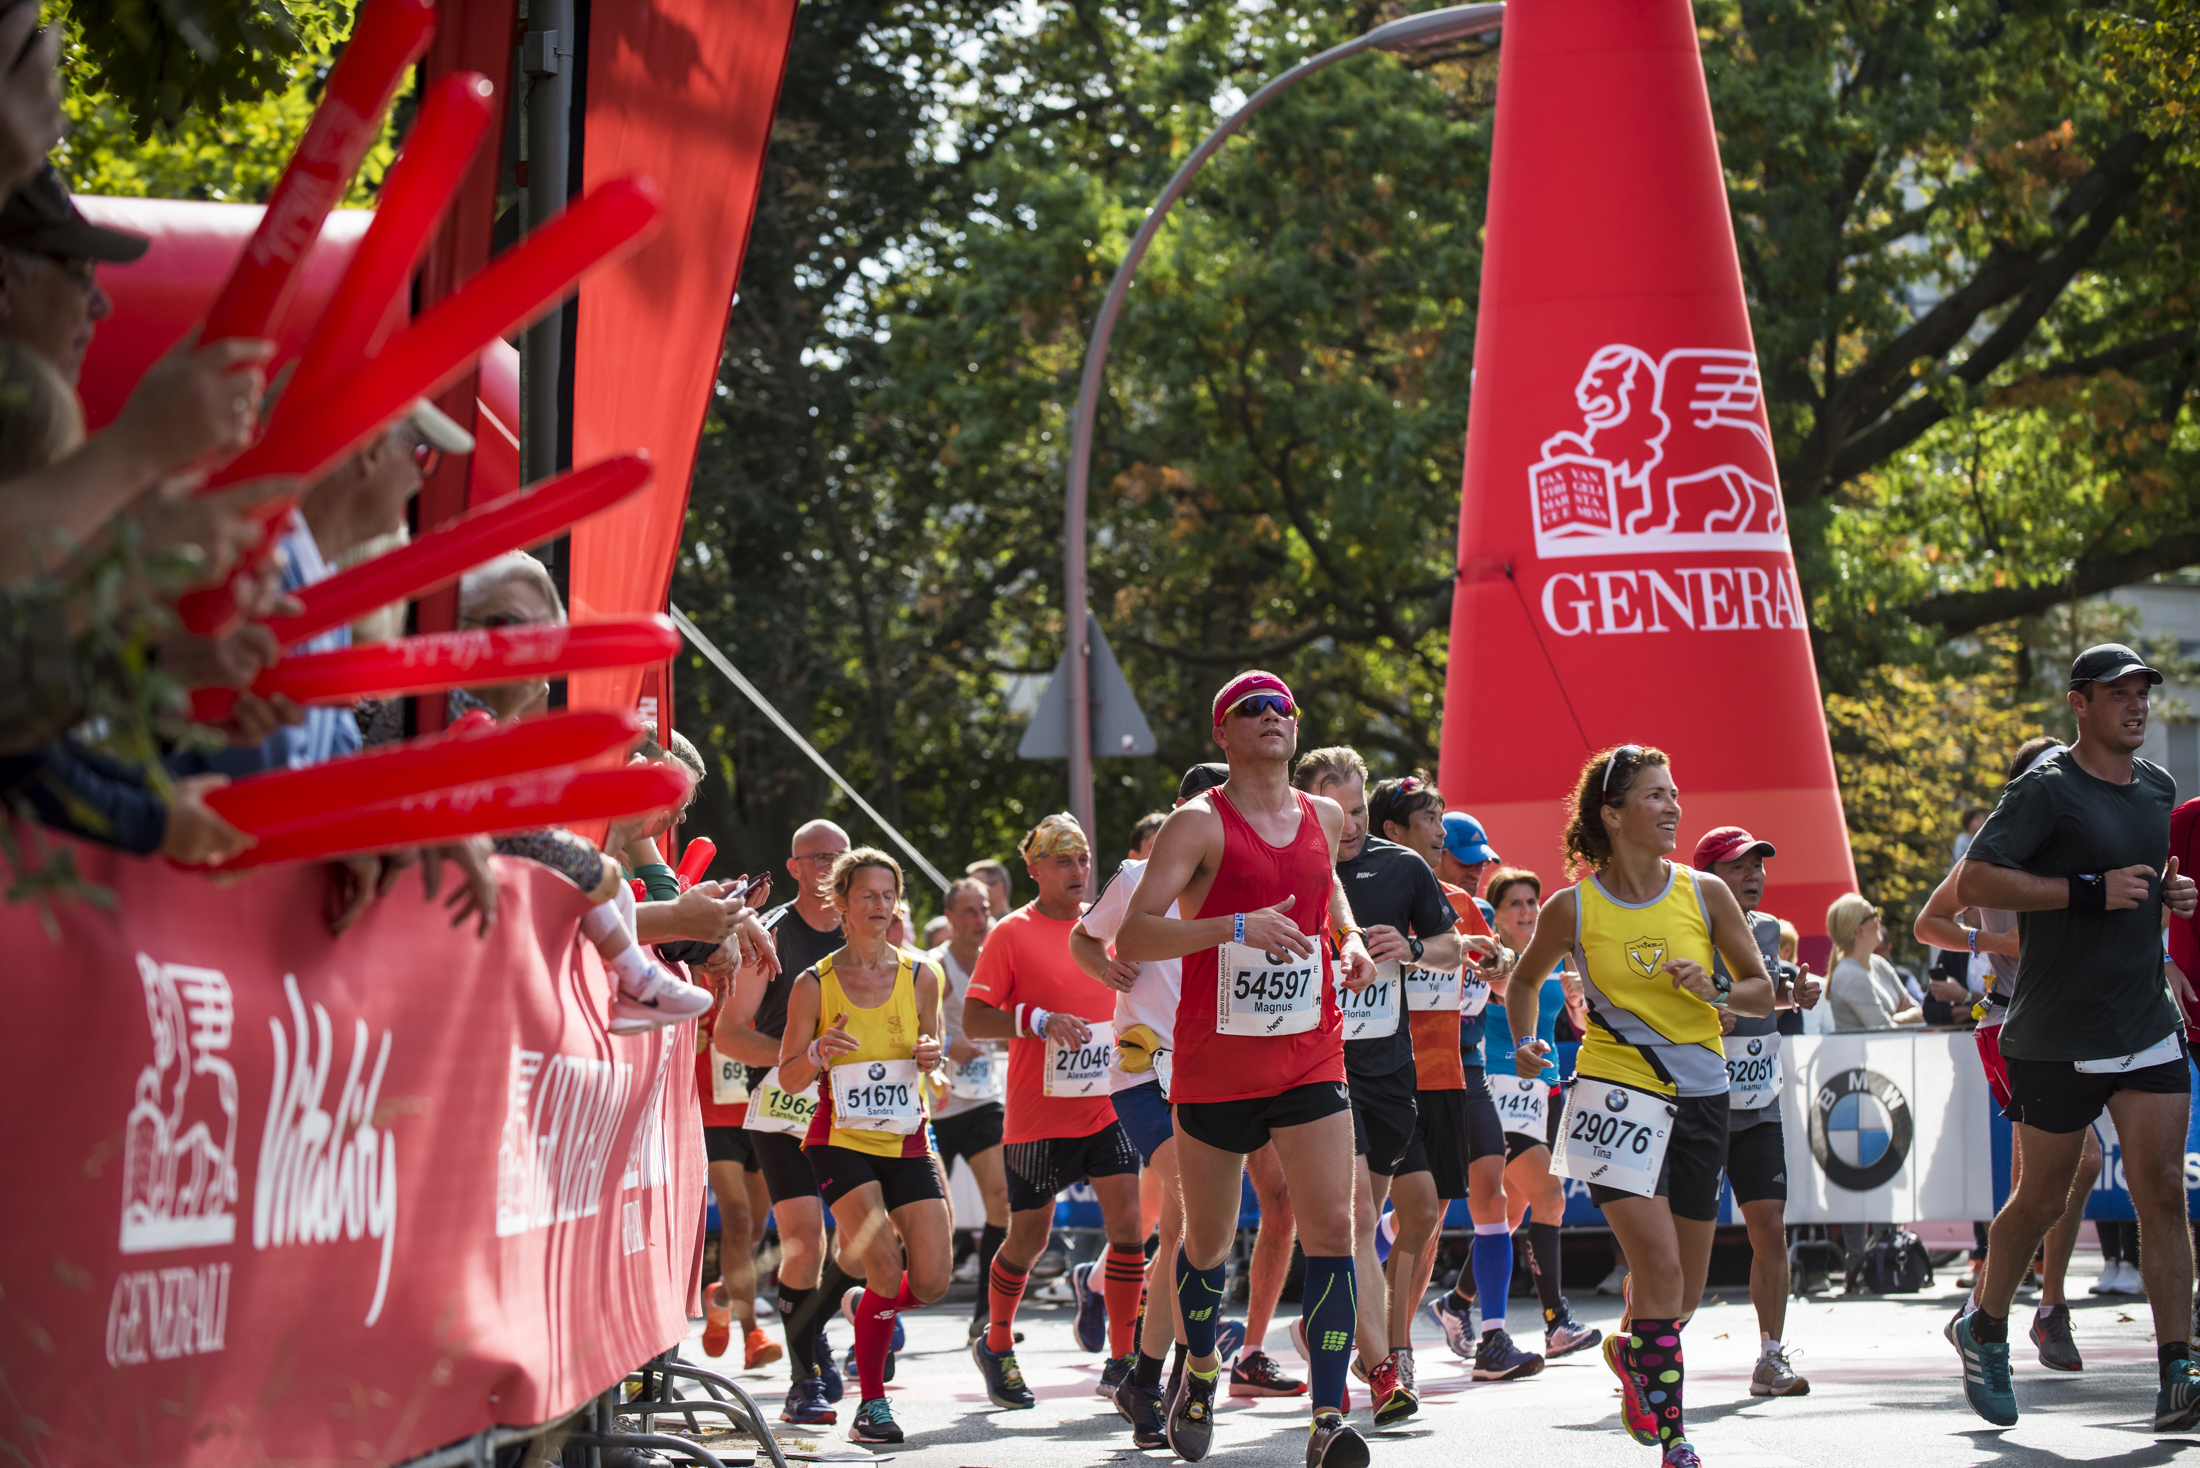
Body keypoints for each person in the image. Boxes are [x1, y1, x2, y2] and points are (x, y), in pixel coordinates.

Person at [1114, 669, 1378, 1468]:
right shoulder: (1196, 825)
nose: (1272, 717)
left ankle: (1329, 1416)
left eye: (1284, 708)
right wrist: (1233, 926)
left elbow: (1324, 887)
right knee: (1207, 1240)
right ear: (1222, 734)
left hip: (1309, 1052)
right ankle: (1196, 1375)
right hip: (1214, 1064)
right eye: (1251, 709)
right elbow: (1135, 937)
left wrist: (1352, 940)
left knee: (1332, 1225)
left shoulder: (1324, 815)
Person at [1949, 644, 2200, 1431]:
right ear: (2078, 704)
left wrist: (2171, 892)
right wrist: (2081, 891)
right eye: (2117, 692)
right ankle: (1985, 1324)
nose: (2136, 704)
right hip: (2056, 1030)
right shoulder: (2045, 788)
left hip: (2146, 1022)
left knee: (2162, 1189)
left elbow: (2142, 884)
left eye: (2143, 693)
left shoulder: (2158, 788)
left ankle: (2178, 1364)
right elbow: (1978, 881)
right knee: (2044, 1198)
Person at [1507, 744, 1774, 1468]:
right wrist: (1527, 1044)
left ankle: (1635, 1350)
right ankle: (1673, 1434)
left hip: (1701, 1095)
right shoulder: (1573, 906)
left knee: (1680, 1289)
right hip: (1613, 1092)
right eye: (1654, 795)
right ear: (1613, 814)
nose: (1672, 807)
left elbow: (1760, 990)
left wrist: (1715, 991)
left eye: (1674, 793)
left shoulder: (1704, 893)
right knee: (1655, 1264)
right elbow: (1524, 982)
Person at [1289, 750, 1463, 1423]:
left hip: (1390, 1070)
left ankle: (1337, 1336)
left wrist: (1411, 949)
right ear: (1310, 808)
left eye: (1361, 810)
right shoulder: (1292, 867)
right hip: (1316, 1067)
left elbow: (1451, 947)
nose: (1354, 824)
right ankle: (1384, 1370)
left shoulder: (1402, 867)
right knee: (1356, 1217)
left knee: (1360, 1228)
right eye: (1340, 811)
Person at [1915, 742, 2100, 1373]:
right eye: (2049, 776)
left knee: (2043, 1181)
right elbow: (1928, 923)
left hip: (2078, 1023)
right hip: (2011, 1022)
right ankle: (2043, 1308)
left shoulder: (2079, 839)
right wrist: (1993, 939)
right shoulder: (1990, 850)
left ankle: (2006, 1308)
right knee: (2074, 1164)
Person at [1073, 762, 1237, 1447]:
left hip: (1218, 1077)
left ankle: (1146, 1377)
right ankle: (1181, 1373)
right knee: (1195, 1215)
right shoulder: (1139, 879)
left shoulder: (1248, 886)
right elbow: (1085, 938)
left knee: (1183, 1235)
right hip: (1144, 1075)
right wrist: (1104, 967)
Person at [962, 814, 1146, 1409]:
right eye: (1063, 860)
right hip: (1038, 1117)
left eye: (1084, 858)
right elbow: (973, 1019)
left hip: (1109, 1107)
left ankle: (1122, 1361)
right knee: (1028, 1237)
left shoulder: (1109, 928)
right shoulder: (1011, 933)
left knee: (1126, 1230)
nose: (1078, 870)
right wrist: (1037, 1021)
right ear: (1034, 868)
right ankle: (995, 1343)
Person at [777, 848, 954, 1445]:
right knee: (885, 1265)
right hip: (839, 1138)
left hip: (905, 1137)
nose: (879, 907)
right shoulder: (814, 983)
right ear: (842, 905)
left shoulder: (920, 973)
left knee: (930, 1281)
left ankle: (860, 1304)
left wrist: (934, 1062)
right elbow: (789, 1078)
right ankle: (871, 1407)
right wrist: (817, 1052)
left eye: (888, 896)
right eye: (867, 897)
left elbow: (937, 1063)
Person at [715, 818, 854, 1425]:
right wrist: (801, 1058)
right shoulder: (768, 937)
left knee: (868, 1246)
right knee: (804, 1240)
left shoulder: (873, 932)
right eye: (817, 857)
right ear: (794, 868)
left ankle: (814, 1327)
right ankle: (806, 1375)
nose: (830, 866)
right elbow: (728, 1034)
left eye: (840, 855)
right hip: (783, 1107)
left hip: (857, 1106)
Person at [1692, 826, 1823, 1396]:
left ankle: (1771, 1358)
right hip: (1699, 1102)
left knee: (1770, 1226)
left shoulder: (1768, 929)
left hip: (1758, 1103)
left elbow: (1765, 992)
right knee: (1679, 1245)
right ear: (1708, 880)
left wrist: (1796, 992)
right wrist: (1705, 1013)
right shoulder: (1689, 928)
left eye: (1758, 867)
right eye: (1739, 868)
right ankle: (1643, 1343)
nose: (1753, 877)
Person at [1474, 865, 1601, 1360]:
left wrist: (1575, 1003)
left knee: (1511, 1209)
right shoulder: (1488, 958)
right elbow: (1499, 996)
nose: (1527, 912)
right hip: (1501, 1088)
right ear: (1497, 915)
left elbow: (1576, 1024)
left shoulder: (1551, 955)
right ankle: (1556, 1322)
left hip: (1545, 1091)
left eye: (1533, 902)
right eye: (1515, 905)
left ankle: (1456, 1300)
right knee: (1548, 1197)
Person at [925, 876, 1012, 1343]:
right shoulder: (932, 967)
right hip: (936, 1107)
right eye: (971, 912)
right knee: (931, 1218)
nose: (981, 920)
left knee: (1000, 1199)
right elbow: (913, 1029)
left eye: (985, 910)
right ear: (951, 919)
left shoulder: (996, 958)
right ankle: (881, 1315)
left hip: (982, 1101)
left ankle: (988, 1313)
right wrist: (949, 1044)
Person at [1824, 897, 1922, 1031]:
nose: (1879, 919)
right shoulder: (1850, 976)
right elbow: (1885, 1030)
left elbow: (1920, 1012)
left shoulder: (1878, 963)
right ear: (1859, 930)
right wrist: (1901, 1016)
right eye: (1874, 915)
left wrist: (1892, 1018)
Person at [1438, 811, 1499, 899]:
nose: (1476, 874)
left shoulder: (1484, 911)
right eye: (1466, 862)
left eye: (1482, 863)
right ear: (1437, 855)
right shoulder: (1414, 907)